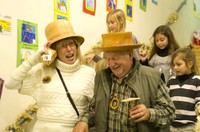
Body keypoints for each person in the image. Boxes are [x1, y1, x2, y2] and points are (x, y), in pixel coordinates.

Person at [73, 32, 176, 132]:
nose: (111, 64)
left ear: (130, 55)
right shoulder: (101, 77)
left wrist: (149, 114)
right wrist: (83, 120)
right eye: (107, 59)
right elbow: (94, 109)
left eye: (115, 58)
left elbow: (170, 112)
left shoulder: (152, 77)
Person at [5, 20, 95, 132]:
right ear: (54, 50)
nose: (69, 49)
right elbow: (9, 83)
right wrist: (34, 59)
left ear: (77, 46)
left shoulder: (89, 73)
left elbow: (95, 108)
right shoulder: (42, 71)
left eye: (71, 43)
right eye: (63, 46)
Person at [167, 47, 200, 132]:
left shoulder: (197, 81)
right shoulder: (171, 81)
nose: (175, 67)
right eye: (174, 65)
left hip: (189, 127)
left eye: (178, 64)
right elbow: (167, 101)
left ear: (189, 64)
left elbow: (198, 103)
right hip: (172, 126)